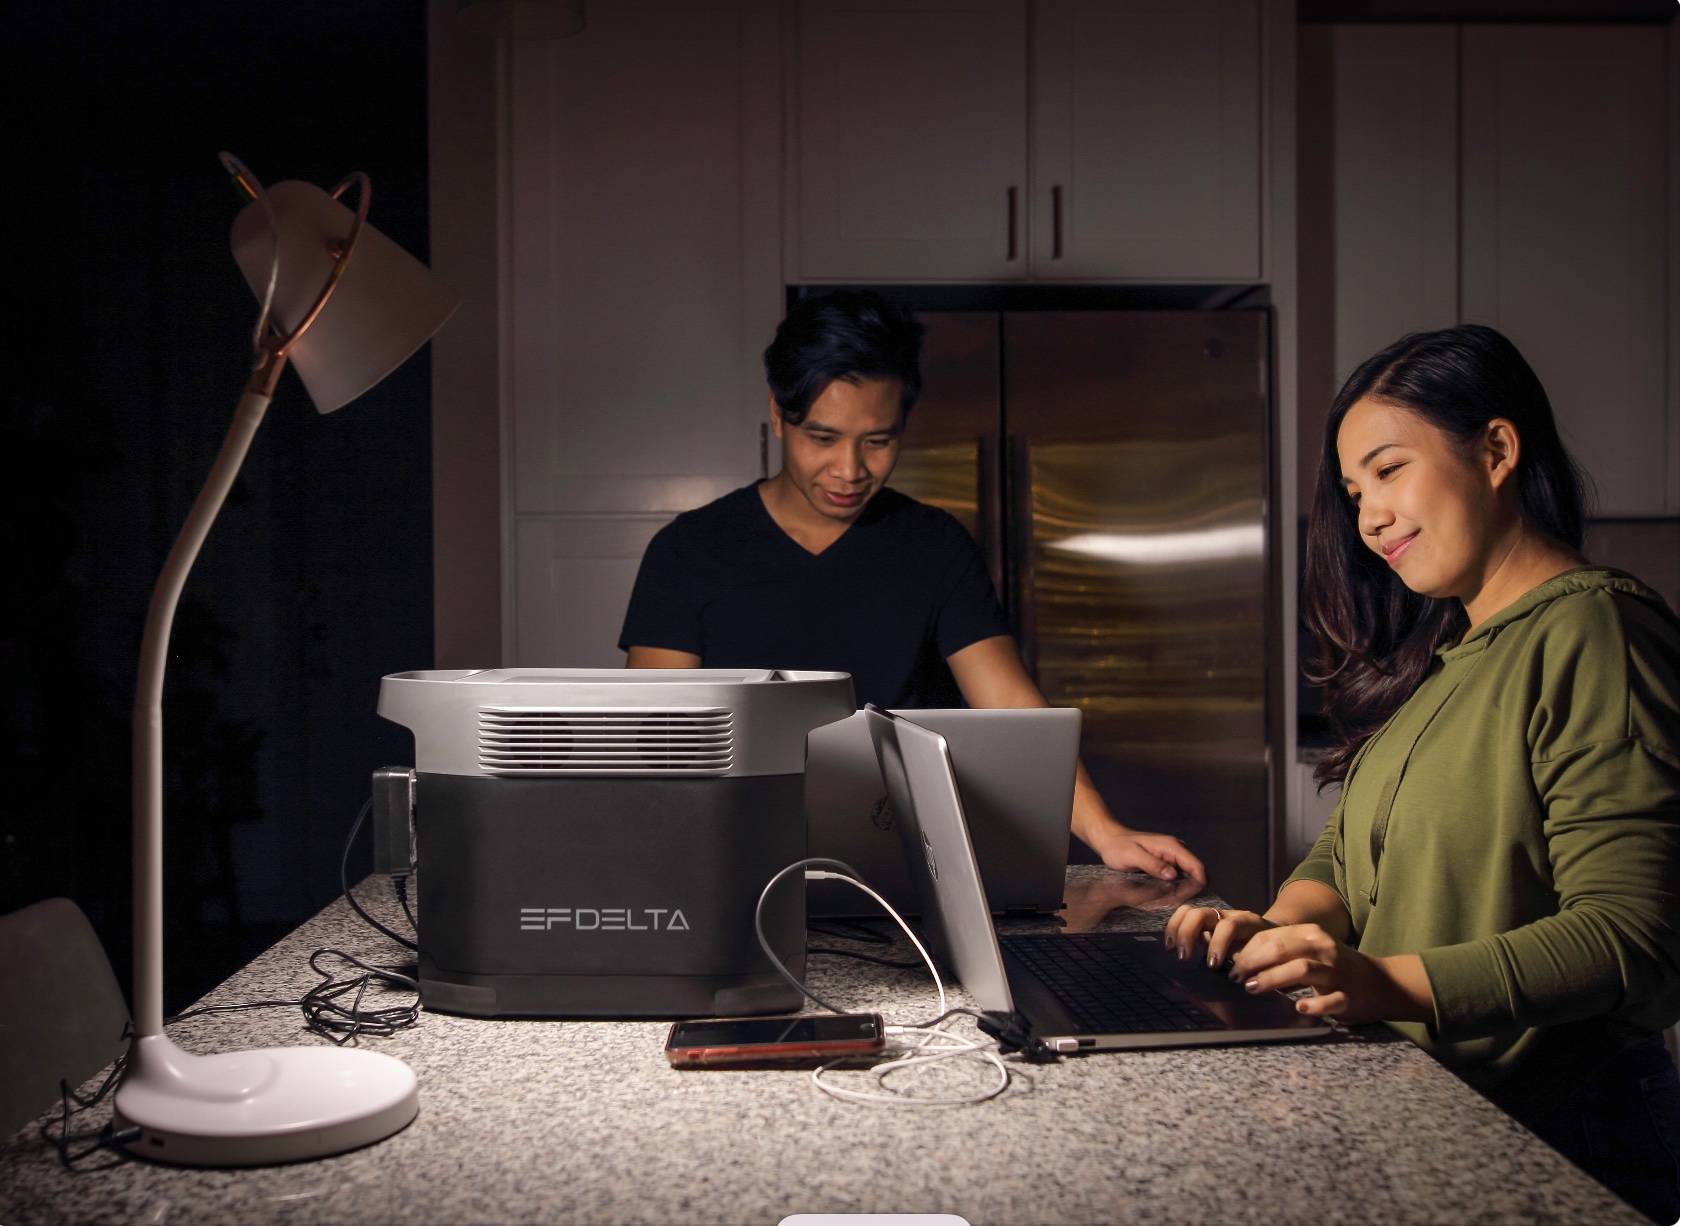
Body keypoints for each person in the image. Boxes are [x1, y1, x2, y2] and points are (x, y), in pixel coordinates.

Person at [1164, 324, 1678, 1223]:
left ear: (1497, 450)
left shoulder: (1594, 631)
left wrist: (1383, 984)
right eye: (1356, 491)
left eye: (1389, 470)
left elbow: (1630, 936)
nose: (1367, 517)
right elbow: (1343, 860)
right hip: (1437, 1108)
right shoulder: (1450, 655)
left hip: (1565, 1135)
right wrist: (1274, 933)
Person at [619, 289, 1205, 882]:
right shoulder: (689, 550)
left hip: (905, 863)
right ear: (778, 414)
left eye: (879, 441)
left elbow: (1011, 708)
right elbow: (656, 736)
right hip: (736, 863)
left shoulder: (935, 545)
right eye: (822, 438)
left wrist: (1106, 832)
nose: (850, 471)